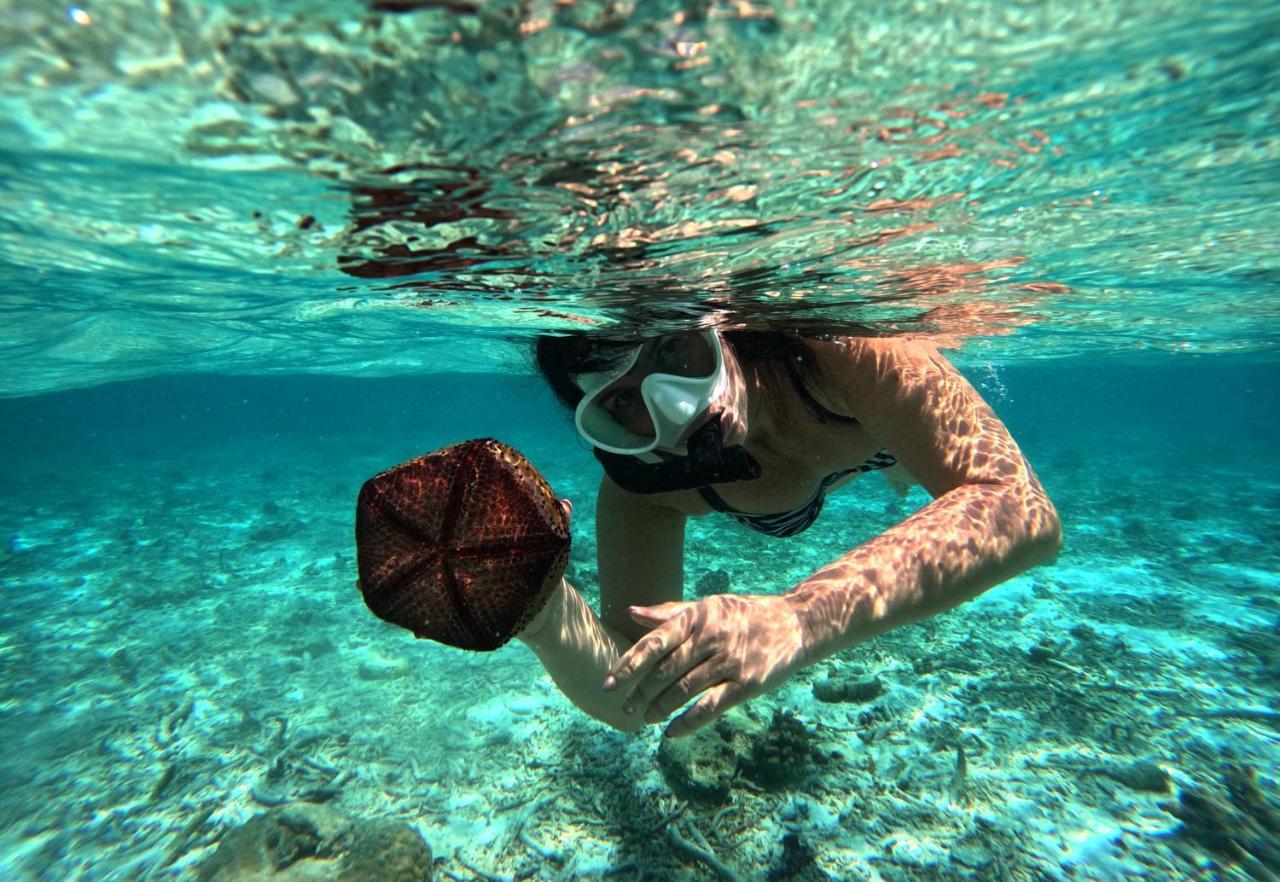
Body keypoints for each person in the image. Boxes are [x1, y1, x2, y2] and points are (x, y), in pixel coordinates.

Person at [516, 325, 1061, 738]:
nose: (678, 406)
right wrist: (538, 609)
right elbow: (630, 696)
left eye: (669, 351)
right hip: (842, 444)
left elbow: (1017, 505)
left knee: (908, 465)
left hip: (868, 433)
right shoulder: (648, 487)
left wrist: (797, 619)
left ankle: (903, 462)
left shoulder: (844, 349)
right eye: (622, 401)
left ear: (711, 324)